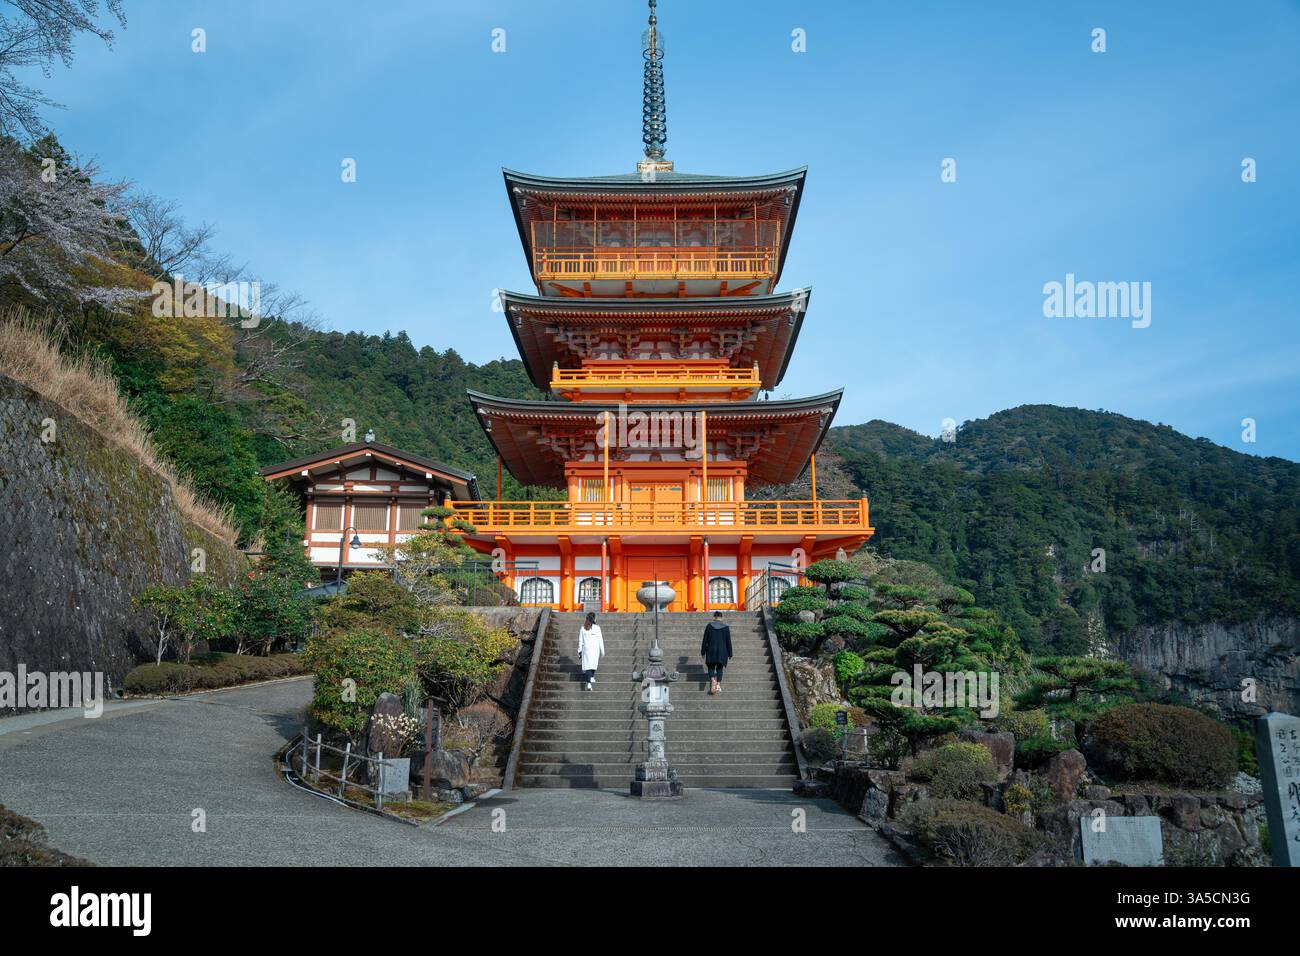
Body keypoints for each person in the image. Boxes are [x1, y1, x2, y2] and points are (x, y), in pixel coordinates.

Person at [701, 610, 733, 696]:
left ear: (714, 617)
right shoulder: (726, 628)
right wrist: (730, 653)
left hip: (711, 650)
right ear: (721, 618)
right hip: (722, 651)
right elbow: (728, 642)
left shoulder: (709, 626)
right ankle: (718, 684)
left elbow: (705, 640)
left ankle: (712, 679)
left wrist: (703, 651)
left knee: (711, 667)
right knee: (719, 668)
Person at [578, 611, 604, 692]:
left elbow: (580, 641)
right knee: (593, 664)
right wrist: (602, 650)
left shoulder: (583, 628)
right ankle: (590, 679)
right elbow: (600, 640)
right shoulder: (597, 628)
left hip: (587, 649)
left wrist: (579, 650)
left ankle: (590, 680)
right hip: (595, 649)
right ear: (594, 618)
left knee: (588, 665)